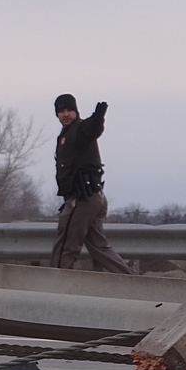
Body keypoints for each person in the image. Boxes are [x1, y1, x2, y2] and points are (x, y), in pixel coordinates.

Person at [51, 94, 133, 273]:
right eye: (61, 111)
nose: (66, 114)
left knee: (66, 244)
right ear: (57, 114)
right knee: (99, 247)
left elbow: (92, 129)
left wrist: (98, 118)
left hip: (83, 198)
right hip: (93, 198)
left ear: (76, 111)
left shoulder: (80, 130)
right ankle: (133, 281)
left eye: (69, 110)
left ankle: (55, 285)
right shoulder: (65, 135)